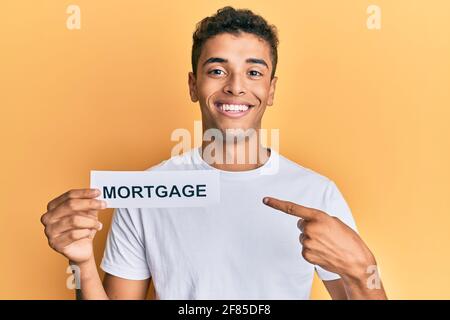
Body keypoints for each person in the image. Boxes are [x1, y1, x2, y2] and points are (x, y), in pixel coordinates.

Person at [40, 6, 387, 300]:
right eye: (217, 71)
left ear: (271, 90)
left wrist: (361, 267)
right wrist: (81, 263)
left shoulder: (317, 193)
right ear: (194, 85)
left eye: (253, 72)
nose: (236, 86)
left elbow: (362, 285)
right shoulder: (144, 191)